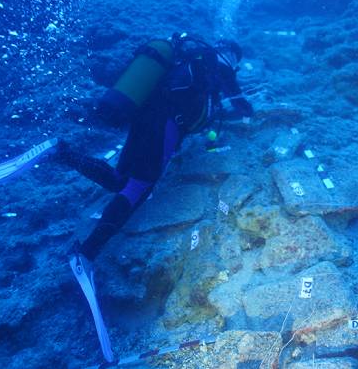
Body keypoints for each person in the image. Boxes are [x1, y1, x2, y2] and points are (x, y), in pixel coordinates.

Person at [55, 33, 253, 262]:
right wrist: (244, 108)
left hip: (144, 113)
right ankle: (87, 252)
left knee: (121, 180)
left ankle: (61, 153)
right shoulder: (221, 67)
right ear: (232, 56)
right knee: (140, 187)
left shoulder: (189, 58)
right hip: (167, 123)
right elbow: (243, 108)